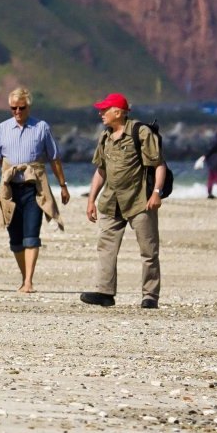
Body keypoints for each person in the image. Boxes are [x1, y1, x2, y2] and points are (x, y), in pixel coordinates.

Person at [0, 87, 70, 293]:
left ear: (29, 106)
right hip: (10, 191)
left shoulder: (41, 127)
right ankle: (23, 277)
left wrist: (63, 186)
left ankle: (28, 281)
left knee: (31, 236)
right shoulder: (1, 129)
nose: (17, 112)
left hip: (34, 189)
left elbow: (54, 158)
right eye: (13, 108)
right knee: (16, 240)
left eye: (22, 108)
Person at [80, 92, 167, 310]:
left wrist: (156, 192)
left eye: (105, 109)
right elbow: (101, 170)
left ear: (118, 112)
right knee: (106, 247)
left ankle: (150, 296)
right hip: (111, 201)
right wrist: (91, 200)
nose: (101, 113)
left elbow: (159, 164)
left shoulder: (141, 132)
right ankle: (105, 292)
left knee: (148, 250)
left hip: (140, 201)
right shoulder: (105, 136)